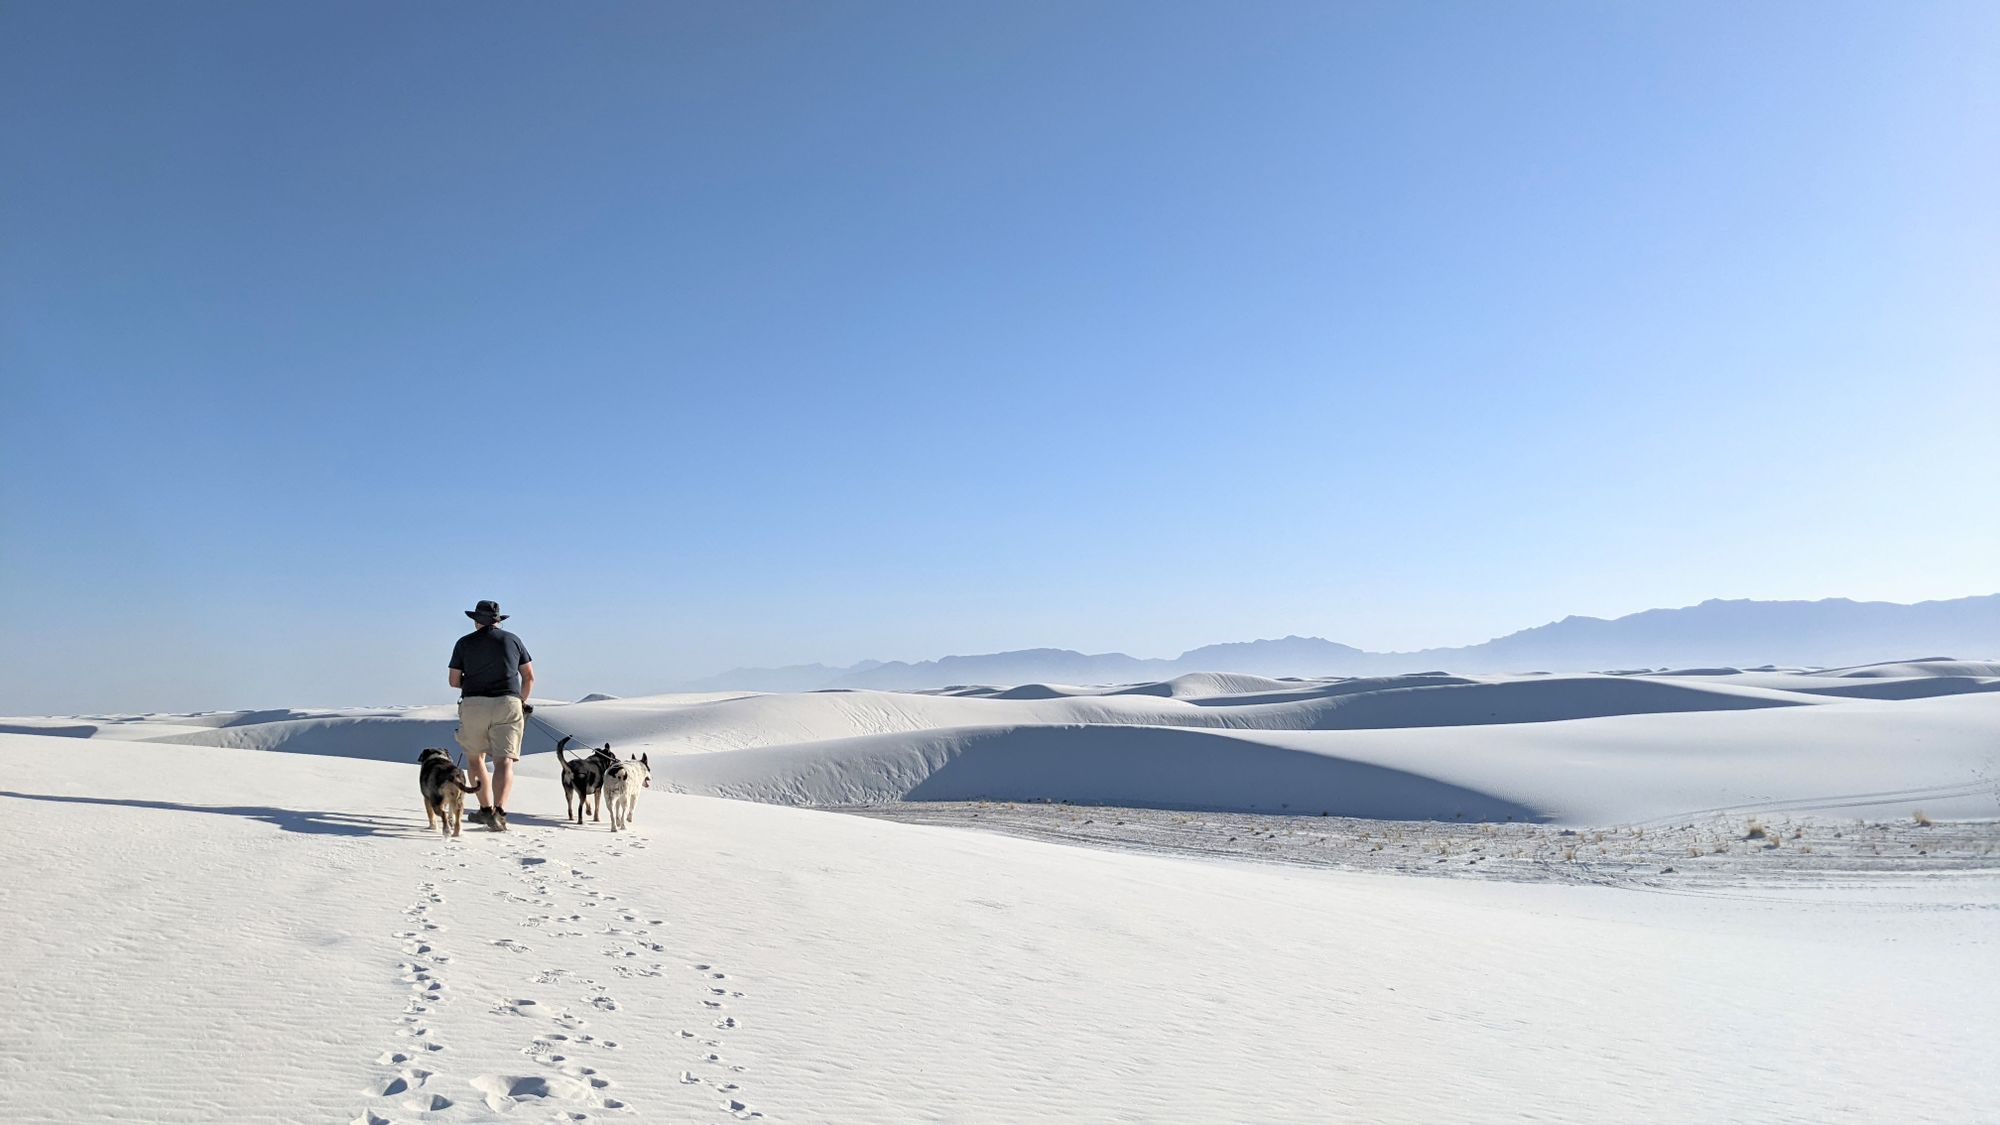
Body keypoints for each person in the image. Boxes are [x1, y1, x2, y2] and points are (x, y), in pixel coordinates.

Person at [448, 599, 534, 831]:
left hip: (474, 702)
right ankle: (500, 811)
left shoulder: (464, 643)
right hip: (508, 702)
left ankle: (485, 809)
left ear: (476, 621)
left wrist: (474, 680)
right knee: (504, 761)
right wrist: (521, 701)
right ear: (498, 620)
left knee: (475, 758)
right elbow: (529, 677)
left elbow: (454, 681)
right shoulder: (513, 640)